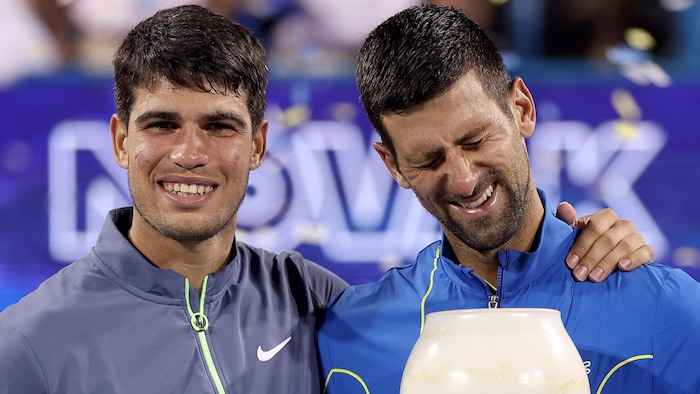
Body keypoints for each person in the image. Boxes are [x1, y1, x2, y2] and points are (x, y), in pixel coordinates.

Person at [0, 4, 655, 394]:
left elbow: (480, 312)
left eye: (220, 127)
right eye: (161, 124)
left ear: (259, 145)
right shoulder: (30, 343)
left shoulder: (321, 306)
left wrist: (585, 250)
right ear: (119, 139)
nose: (190, 154)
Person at [317, 5, 700, 394]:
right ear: (393, 164)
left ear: (522, 109)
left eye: (476, 140)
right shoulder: (346, 338)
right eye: (428, 159)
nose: (464, 181)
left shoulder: (668, 314)